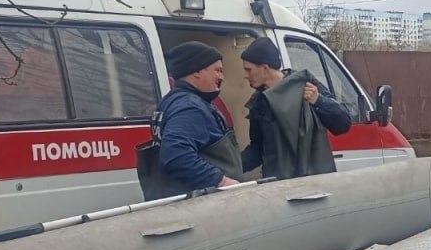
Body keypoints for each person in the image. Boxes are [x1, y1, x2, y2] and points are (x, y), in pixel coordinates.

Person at [138, 42, 243, 200]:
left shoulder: (170, 101)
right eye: (217, 70)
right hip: (204, 203)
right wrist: (222, 181)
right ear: (197, 72)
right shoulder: (190, 107)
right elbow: (176, 156)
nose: (221, 77)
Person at [239, 37, 352, 180]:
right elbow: (257, 150)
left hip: (314, 182)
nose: (245, 76)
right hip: (279, 186)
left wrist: (319, 101)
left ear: (265, 68)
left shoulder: (305, 85)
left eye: (249, 70)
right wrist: (229, 169)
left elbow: (343, 124)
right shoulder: (259, 102)